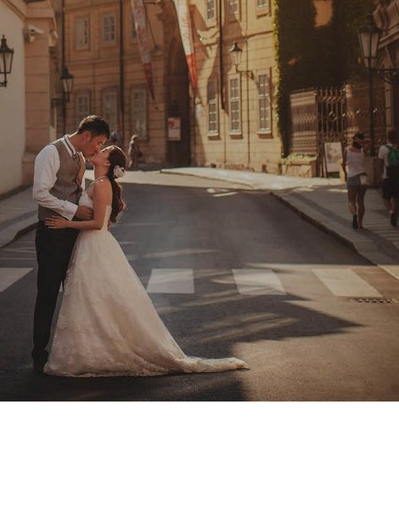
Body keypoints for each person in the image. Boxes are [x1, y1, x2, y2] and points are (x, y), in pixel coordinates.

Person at [43, 145, 248, 377]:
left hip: (95, 245)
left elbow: (98, 223)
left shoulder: (102, 185)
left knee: (96, 296)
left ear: (108, 163)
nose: (99, 150)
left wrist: (67, 223)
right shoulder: (99, 182)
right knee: (94, 298)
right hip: (92, 246)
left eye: (104, 150)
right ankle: (91, 349)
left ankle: (98, 350)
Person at [31, 114, 111, 374]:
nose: (98, 149)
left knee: (77, 294)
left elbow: (77, 189)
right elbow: (40, 193)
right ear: (86, 135)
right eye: (98, 143)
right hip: (52, 232)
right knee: (48, 294)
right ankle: (38, 355)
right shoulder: (50, 152)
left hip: (73, 233)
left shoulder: (79, 157)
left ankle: (74, 353)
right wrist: (72, 210)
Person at [378, 128, 399, 227]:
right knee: (396, 197)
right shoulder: (398, 149)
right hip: (397, 176)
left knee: (385, 197)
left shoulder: (383, 149)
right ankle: (395, 214)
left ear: (387, 138)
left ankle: (391, 211)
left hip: (387, 176)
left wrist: (381, 175)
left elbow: (380, 163)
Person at [343, 132, 369, 230]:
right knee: (361, 201)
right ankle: (360, 223)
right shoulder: (363, 150)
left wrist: (345, 174)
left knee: (351, 201)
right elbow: (370, 141)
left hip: (352, 175)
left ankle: (354, 214)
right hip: (363, 176)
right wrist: (362, 141)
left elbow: (343, 163)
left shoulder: (346, 150)